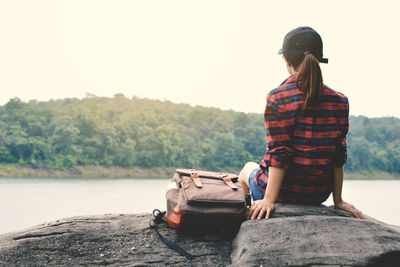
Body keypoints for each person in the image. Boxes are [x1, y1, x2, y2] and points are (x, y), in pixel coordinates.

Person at [239, 26, 365, 220]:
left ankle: (247, 211)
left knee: (247, 169)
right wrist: (338, 200)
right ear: (319, 60)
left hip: (282, 193)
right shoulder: (340, 101)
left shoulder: (277, 97)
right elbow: (338, 154)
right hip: (317, 194)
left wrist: (269, 200)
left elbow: (280, 153)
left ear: (286, 61)